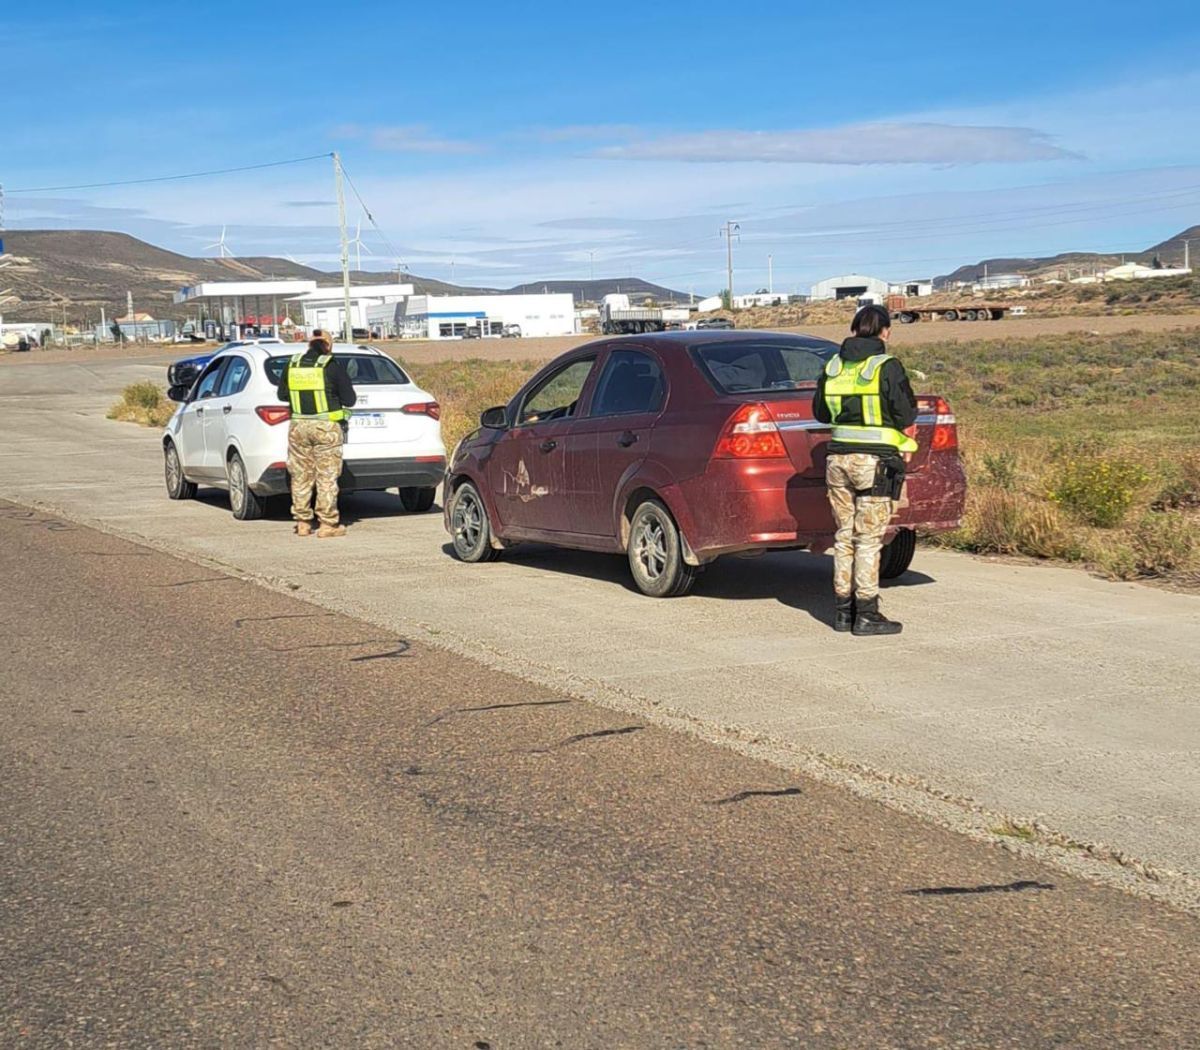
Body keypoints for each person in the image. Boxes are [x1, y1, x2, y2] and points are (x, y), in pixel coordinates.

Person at [813, 305, 918, 636]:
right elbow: (905, 414)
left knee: (844, 536)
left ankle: (843, 612)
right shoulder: (886, 366)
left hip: (837, 462)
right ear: (885, 332)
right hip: (874, 464)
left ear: (855, 329)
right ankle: (868, 613)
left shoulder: (833, 366)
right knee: (869, 540)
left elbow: (819, 412)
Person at [275, 329, 357, 538]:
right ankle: (327, 524)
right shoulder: (331, 366)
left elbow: (282, 394)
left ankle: (302, 523)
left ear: (309, 345)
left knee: (301, 475)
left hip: (298, 428)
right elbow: (350, 400)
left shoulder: (292, 364)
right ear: (328, 346)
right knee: (326, 477)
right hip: (326, 429)